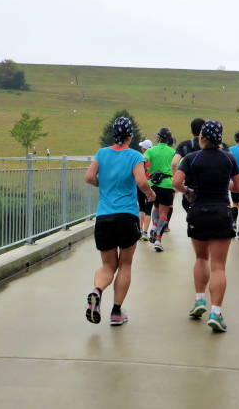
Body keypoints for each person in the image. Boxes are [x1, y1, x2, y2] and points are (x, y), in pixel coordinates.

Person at [172, 120, 239, 332]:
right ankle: (216, 313)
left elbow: (176, 183)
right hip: (221, 212)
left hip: (198, 212)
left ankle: (199, 300)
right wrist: (224, 184)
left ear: (201, 137)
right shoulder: (228, 158)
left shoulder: (191, 158)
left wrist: (188, 191)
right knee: (218, 266)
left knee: (201, 258)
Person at [84, 117, 156, 326]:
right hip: (126, 217)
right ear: (130, 136)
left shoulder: (102, 154)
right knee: (125, 264)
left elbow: (89, 178)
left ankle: (97, 290)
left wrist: (101, 184)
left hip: (104, 216)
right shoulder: (135, 156)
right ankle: (116, 312)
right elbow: (141, 181)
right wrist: (150, 194)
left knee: (108, 264)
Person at [144, 127, 176, 252]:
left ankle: (154, 226)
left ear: (158, 138)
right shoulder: (173, 152)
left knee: (156, 207)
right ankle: (158, 240)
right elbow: (179, 165)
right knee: (163, 213)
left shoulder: (151, 150)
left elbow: (143, 162)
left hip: (153, 183)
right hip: (167, 184)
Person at [171, 118, 205, 212]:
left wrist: (180, 182)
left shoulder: (184, 145)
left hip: (190, 190)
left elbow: (174, 163)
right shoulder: (211, 145)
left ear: (191, 131)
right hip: (208, 189)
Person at [137, 139, 154, 240]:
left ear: (143, 148)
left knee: (141, 207)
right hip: (151, 184)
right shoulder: (153, 158)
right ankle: (145, 232)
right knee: (149, 209)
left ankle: (140, 229)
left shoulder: (141, 158)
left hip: (141, 184)